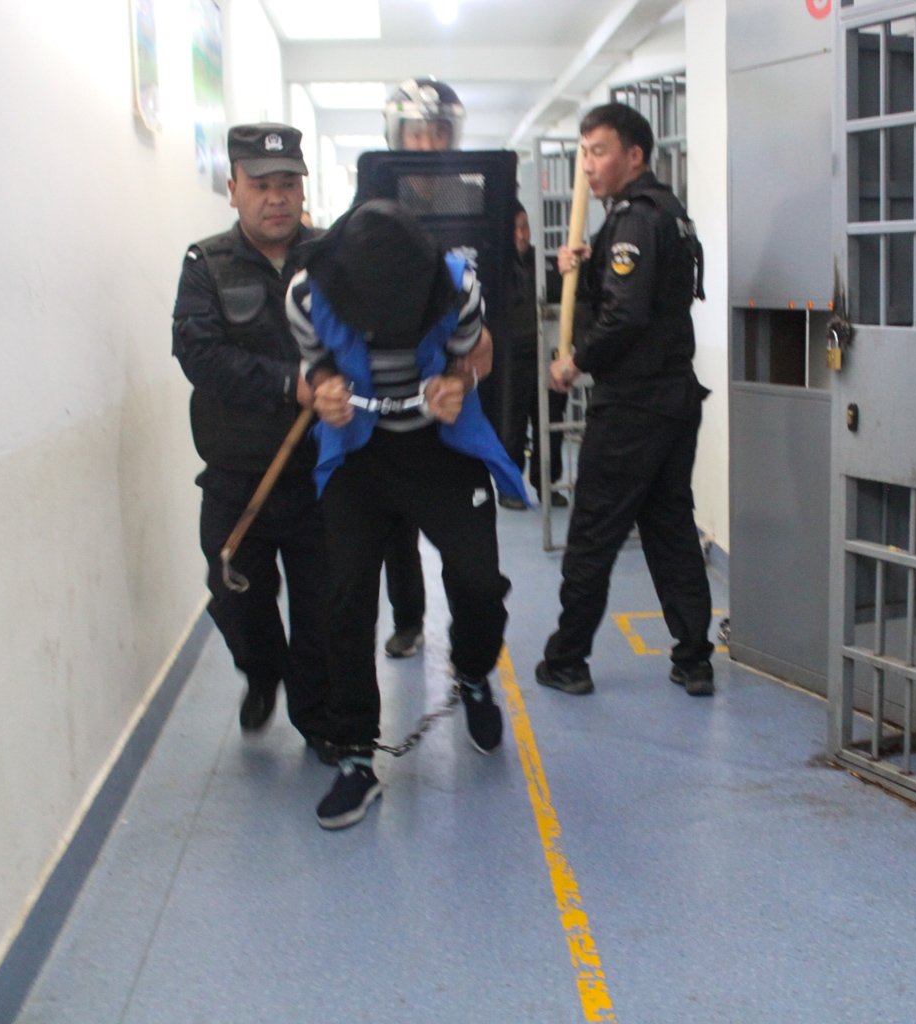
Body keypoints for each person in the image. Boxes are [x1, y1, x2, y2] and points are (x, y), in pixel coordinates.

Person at [287, 200, 526, 830]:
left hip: (438, 446)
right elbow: (314, 370)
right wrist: (325, 391)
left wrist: (460, 383)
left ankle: (473, 673)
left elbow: (480, 357)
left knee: (478, 581)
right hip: (359, 451)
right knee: (345, 598)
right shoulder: (308, 295)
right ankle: (356, 757)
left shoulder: (456, 284)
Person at [534, 103, 715, 698]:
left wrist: (574, 362)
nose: (588, 164)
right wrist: (582, 269)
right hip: (673, 400)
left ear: (634, 156)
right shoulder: (667, 212)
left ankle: (567, 658)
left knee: (592, 532)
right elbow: (643, 297)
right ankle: (694, 659)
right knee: (670, 528)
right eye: (584, 152)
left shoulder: (634, 220)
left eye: (600, 150)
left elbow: (626, 315)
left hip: (634, 407)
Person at [171, 122, 335, 745]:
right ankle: (262, 671)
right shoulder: (206, 265)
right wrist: (289, 382)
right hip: (237, 478)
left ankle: (318, 721)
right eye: (262, 184)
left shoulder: (332, 256)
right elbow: (199, 356)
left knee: (322, 610)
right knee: (235, 598)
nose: (277, 197)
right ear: (234, 189)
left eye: (288, 183)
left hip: (319, 476)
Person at [363, 76, 477, 660]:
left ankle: (470, 650)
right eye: (416, 132)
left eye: (438, 133)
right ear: (396, 136)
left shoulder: (475, 203)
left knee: (466, 544)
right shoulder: (371, 211)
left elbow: (491, 313)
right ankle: (408, 619)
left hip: (455, 407)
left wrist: (463, 375)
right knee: (393, 531)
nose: (428, 145)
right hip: (386, 402)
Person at [496, 202, 567, 509]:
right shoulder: (495, 266)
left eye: (525, 226)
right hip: (512, 358)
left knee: (550, 424)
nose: (522, 234)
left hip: (546, 356)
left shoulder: (546, 264)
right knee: (511, 425)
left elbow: (566, 303)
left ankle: (547, 484)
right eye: (515, 227)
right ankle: (510, 488)